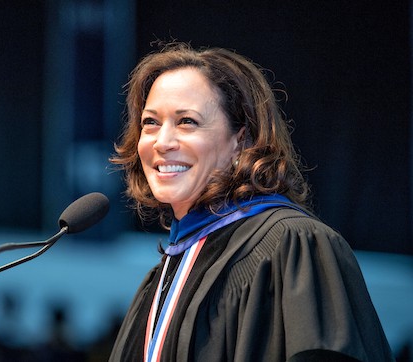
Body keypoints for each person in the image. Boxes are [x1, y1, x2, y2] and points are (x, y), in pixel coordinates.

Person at [108, 42, 394, 362]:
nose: (162, 142)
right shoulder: (162, 278)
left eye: (187, 121)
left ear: (240, 140)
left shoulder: (294, 245)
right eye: (151, 123)